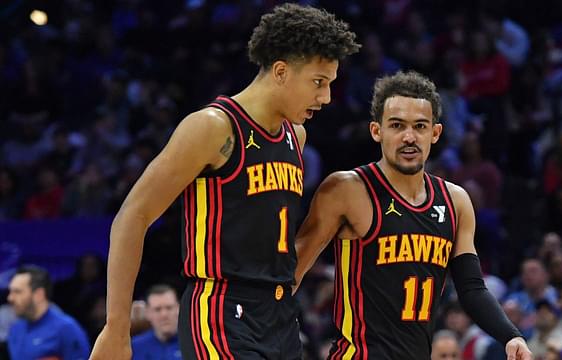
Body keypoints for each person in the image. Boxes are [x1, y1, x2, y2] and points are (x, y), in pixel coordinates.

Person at [89, 3, 360, 360]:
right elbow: (132, 216)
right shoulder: (213, 127)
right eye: (318, 83)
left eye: (330, 85)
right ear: (280, 72)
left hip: (278, 315)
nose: (325, 98)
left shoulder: (297, 136)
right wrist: (117, 327)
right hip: (221, 311)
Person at [294, 70, 531, 359]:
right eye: (397, 125)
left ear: (435, 133)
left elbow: (471, 288)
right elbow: (292, 271)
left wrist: (511, 336)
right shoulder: (346, 189)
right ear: (376, 131)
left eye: (420, 126)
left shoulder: (455, 201)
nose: (409, 137)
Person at [6, 265, 90, 360]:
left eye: (17, 292)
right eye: (10, 291)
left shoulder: (66, 328)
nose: (10, 298)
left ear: (39, 294)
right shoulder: (15, 329)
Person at [131, 285, 181, 360]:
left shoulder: (193, 343)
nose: (164, 315)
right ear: (148, 313)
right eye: (157, 309)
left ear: (178, 309)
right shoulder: (135, 346)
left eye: (169, 308)